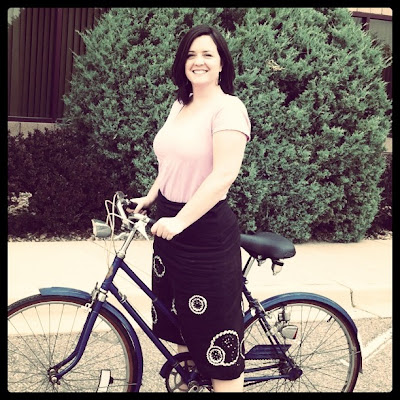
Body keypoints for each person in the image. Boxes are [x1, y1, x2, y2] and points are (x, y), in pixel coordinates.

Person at [130, 24, 251, 392]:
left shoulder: (229, 109)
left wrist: (180, 221)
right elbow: (171, 163)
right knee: (182, 324)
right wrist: (151, 197)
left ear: (221, 63)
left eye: (207, 54)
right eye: (191, 54)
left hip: (204, 232)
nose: (198, 61)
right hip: (170, 226)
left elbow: (223, 176)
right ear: (183, 62)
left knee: (216, 343)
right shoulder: (180, 105)